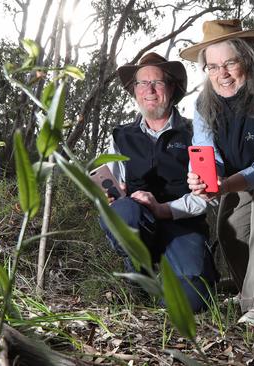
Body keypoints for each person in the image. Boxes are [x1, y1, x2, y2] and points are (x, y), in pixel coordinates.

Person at [179, 19, 254, 326]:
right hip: (237, 177)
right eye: (213, 66)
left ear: (247, 59)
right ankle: (250, 292)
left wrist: (229, 183)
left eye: (230, 63)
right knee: (230, 227)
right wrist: (204, 177)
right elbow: (206, 152)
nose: (223, 74)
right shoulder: (204, 104)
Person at [98, 52, 216, 313]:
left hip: (182, 226)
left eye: (158, 83)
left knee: (190, 301)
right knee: (124, 213)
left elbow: (206, 197)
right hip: (140, 223)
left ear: (172, 88)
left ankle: (181, 276)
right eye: (142, 83)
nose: (149, 90)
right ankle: (138, 269)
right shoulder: (121, 136)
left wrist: (163, 208)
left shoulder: (196, 134)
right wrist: (114, 198)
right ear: (134, 90)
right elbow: (112, 191)